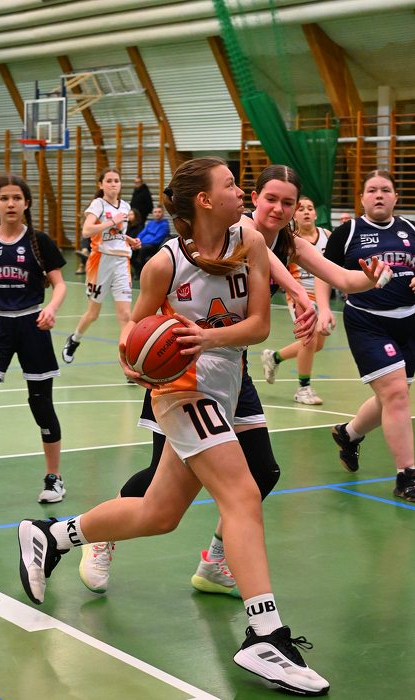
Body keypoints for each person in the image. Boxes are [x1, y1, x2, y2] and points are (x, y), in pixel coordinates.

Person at [19, 157, 330, 696]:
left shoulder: (252, 243)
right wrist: (135, 360)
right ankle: (265, 636)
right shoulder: (163, 264)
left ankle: (51, 535)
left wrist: (210, 337)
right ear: (204, 200)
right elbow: (134, 335)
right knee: (242, 494)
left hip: (225, 383)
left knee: (159, 514)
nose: (241, 192)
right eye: (231, 185)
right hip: (181, 390)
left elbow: (259, 326)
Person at [78, 165, 389, 602]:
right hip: (183, 367)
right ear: (253, 198)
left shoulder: (285, 241)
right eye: (270, 199)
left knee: (262, 472)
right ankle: (99, 534)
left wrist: (371, 278)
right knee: (160, 482)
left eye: (288, 202)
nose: (278, 208)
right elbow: (264, 256)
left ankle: (214, 562)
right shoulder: (236, 227)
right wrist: (297, 292)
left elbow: (343, 278)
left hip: (231, 365)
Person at [0, 173, 67, 516]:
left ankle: (54, 478)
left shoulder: (39, 241)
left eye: (17, 198)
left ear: (26, 203)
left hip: (32, 325)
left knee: (41, 405)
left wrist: (51, 308)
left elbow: (60, 284)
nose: (10, 203)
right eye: (4, 198)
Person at [316, 170, 415, 501]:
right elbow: (323, 272)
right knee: (396, 394)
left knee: (391, 397)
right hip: (367, 322)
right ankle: (407, 477)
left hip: (409, 321)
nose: (379, 195)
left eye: (385, 190)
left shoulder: (410, 229)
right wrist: (323, 309)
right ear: (362, 198)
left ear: (395, 197)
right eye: (372, 190)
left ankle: (349, 434)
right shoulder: (348, 231)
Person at [62, 168, 141, 364]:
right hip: (100, 262)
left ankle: (128, 361)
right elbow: (87, 230)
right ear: (101, 185)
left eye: (117, 180)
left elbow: (117, 232)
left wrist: (130, 240)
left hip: (122, 262)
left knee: (125, 315)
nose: (113, 184)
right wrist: (112, 221)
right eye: (109, 180)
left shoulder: (125, 206)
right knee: (93, 314)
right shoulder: (98, 204)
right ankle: (74, 339)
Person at [261, 196, 331, 405]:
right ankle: (303, 389)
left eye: (310, 208)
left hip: (322, 295)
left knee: (317, 345)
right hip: (299, 295)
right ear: (294, 215)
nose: (307, 212)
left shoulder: (327, 235)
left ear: (316, 214)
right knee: (309, 340)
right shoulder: (290, 240)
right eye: (302, 209)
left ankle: (274, 357)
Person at [131, 205, 170, 280]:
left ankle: (141, 272)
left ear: (163, 213)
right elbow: (142, 233)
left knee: (143, 249)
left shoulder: (164, 225)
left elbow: (157, 239)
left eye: (159, 212)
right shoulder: (151, 223)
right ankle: (137, 269)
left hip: (153, 246)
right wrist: (136, 241)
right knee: (131, 248)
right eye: (155, 212)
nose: (157, 214)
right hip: (143, 244)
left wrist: (141, 244)